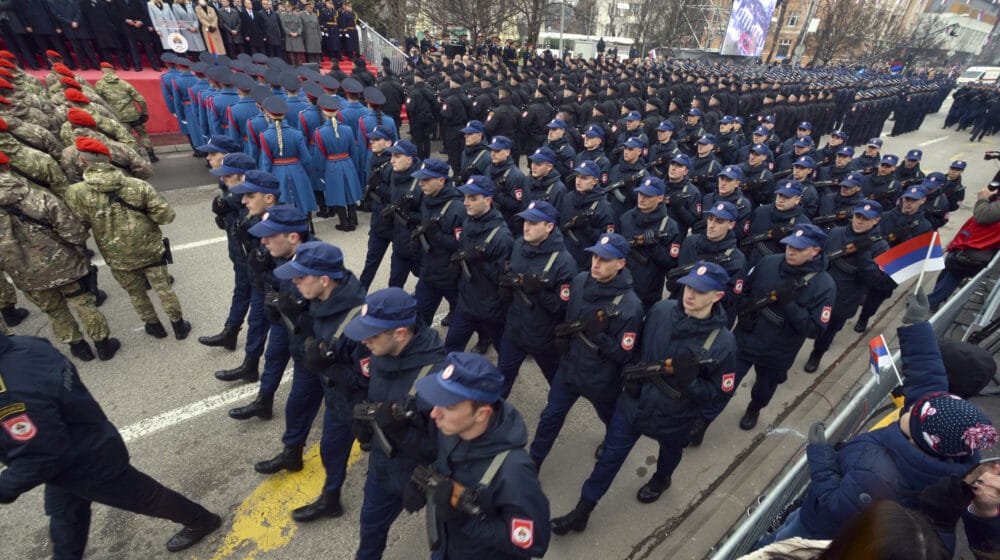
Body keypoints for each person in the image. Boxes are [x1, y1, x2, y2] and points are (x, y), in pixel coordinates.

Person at [755, 294, 998, 549]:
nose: (911, 404)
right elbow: (927, 374)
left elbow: (834, 505)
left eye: (913, 411)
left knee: (778, 544)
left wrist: (820, 454)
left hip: (817, 527)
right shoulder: (942, 438)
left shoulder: (878, 480)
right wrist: (916, 326)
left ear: (918, 438)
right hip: (841, 495)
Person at [551, 262, 736, 534]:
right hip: (635, 404)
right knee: (608, 460)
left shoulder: (723, 344)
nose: (690, 294)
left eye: (700, 290)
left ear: (717, 296)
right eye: (688, 286)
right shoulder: (660, 311)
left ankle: (662, 479)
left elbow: (718, 395)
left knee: (670, 453)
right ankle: (582, 510)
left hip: (675, 414)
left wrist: (691, 383)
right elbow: (635, 348)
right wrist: (632, 378)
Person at [0, 331, 223, 556]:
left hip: (86, 463)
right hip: (84, 442)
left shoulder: (9, 393)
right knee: (66, 514)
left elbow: (42, 456)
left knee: (146, 497)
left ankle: (201, 520)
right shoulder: (26, 345)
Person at [405, 352, 551, 558]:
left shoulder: (514, 471)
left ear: (482, 414)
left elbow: (533, 542)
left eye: (449, 406)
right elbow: (444, 464)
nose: (434, 413)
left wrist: (468, 522)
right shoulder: (452, 429)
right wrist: (425, 483)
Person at [342, 287, 447, 560]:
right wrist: (365, 420)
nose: (364, 341)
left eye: (372, 334)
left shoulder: (436, 378)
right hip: (381, 467)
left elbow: (449, 444)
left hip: (417, 474)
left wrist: (425, 483)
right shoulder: (381, 351)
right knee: (370, 530)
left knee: (445, 545)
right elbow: (369, 391)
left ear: (400, 333)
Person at [530, 232, 644, 470]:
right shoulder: (580, 280)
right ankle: (534, 461)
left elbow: (623, 354)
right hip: (570, 369)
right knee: (550, 417)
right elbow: (568, 315)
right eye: (594, 257)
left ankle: (611, 440)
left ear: (621, 263)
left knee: (609, 416)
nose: (596, 263)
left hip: (600, 379)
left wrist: (599, 335)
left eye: (604, 259)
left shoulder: (630, 306)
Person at [63, 138, 192, 341]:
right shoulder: (137, 185)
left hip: (116, 256)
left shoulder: (76, 192)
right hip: (149, 248)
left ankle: (154, 326)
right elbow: (166, 216)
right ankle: (179, 326)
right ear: (110, 158)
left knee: (136, 293)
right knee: (163, 288)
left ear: (82, 161)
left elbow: (79, 227)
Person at [0, 157, 119, 362]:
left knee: (55, 311)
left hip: (26, 276)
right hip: (65, 265)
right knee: (84, 304)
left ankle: (78, 347)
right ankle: (103, 345)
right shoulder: (41, 199)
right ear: (7, 167)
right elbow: (74, 233)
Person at [728, 224, 836, 432]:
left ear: (815, 251)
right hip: (745, 339)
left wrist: (790, 305)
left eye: (799, 249)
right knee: (724, 384)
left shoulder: (824, 285)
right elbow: (744, 290)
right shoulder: (768, 262)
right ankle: (703, 421)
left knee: (763, 390)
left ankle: (754, 409)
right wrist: (745, 312)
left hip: (776, 352)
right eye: (789, 246)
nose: (791, 251)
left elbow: (815, 330)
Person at [496, 200, 576, 396]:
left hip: (543, 337)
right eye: (525, 221)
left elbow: (563, 307)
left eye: (533, 223)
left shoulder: (563, 262)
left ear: (549, 227)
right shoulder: (518, 245)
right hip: (514, 331)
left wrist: (539, 292)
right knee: (501, 379)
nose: (526, 226)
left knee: (554, 379)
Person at [803, 201, 889, 374]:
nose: (859, 221)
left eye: (866, 218)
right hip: (820, 291)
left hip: (846, 297)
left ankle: (817, 354)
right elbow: (821, 259)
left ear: (876, 221)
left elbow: (876, 280)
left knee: (829, 331)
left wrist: (864, 253)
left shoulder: (880, 246)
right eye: (858, 216)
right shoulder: (836, 233)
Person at [444, 175, 514, 355]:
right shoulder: (468, 222)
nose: (466, 203)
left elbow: (503, 279)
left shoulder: (501, 237)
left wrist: (479, 261)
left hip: (490, 308)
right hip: (466, 302)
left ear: (488, 200)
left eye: (473, 198)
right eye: (465, 197)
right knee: (451, 346)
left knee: (505, 355)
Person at [198, 147, 257, 351]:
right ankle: (230, 332)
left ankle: (251, 358)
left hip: (255, 263)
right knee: (241, 291)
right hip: (240, 255)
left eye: (213, 154)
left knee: (264, 317)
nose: (208, 158)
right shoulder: (231, 191)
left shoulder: (254, 202)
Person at [410, 158, 464, 326]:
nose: (420, 184)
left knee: (467, 315)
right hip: (429, 272)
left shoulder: (457, 208)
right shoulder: (428, 199)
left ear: (441, 181)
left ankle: (485, 337)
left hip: (450, 275)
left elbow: (462, 244)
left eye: (426, 180)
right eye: (420, 179)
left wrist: (437, 235)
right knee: (418, 318)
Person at [928, 182, 1000, 310]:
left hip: (975, 251)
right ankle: (933, 299)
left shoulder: (993, 210)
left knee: (952, 276)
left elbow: (983, 216)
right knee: (948, 272)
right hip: (968, 246)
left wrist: (983, 199)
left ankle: (931, 302)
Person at [312, 95, 361, 231]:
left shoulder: (319, 132)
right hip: (347, 162)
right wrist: (354, 166)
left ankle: (344, 223)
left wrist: (320, 172)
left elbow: (319, 156)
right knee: (350, 193)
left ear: (324, 112)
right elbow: (353, 151)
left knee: (337, 194)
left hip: (332, 165)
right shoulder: (347, 129)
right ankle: (353, 220)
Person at [94, 63, 157, 162]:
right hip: (134, 115)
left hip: (118, 117)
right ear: (113, 70)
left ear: (102, 71)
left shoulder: (99, 85)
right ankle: (152, 155)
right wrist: (144, 112)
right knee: (143, 134)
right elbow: (140, 99)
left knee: (128, 138)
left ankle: (137, 159)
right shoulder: (124, 83)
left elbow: (100, 101)